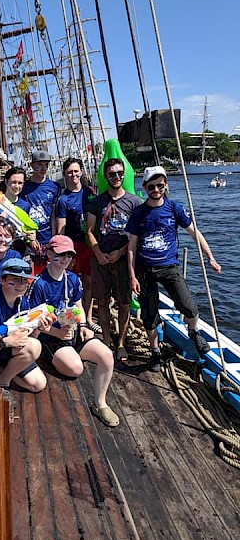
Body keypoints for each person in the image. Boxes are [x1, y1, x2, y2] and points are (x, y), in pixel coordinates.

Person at [127, 166, 221, 371]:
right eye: (151, 186)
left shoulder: (174, 208)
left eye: (160, 185)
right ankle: (155, 352)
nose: (156, 189)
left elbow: (195, 233)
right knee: (149, 315)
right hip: (145, 270)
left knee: (188, 306)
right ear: (145, 187)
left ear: (165, 185)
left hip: (169, 267)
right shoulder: (139, 213)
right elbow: (132, 246)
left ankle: (194, 333)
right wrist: (132, 275)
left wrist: (211, 258)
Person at [27, 234, 120, 427]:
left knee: (106, 356)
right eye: (60, 255)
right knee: (75, 369)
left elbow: (77, 304)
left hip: (73, 330)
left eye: (69, 255)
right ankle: (49, 357)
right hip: (51, 337)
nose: (65, 260)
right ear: (49, 253)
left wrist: (84, 325)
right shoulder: (39, 284)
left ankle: (100, 403)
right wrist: (57, 333)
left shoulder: (72, 279)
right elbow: (33, 322)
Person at [86, 157, 142, 362]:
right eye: (112, 174)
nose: (116, 177)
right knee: (101, 301)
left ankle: (121, 343)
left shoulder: (134, 202)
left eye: (120, 173)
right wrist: (98, 253)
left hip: (122, 261)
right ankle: (107, 341)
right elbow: (90, 231)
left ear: (124, 175)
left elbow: (138, 235)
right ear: (106, 176)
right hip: (101, 259)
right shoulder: (96, 203)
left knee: (124, 303)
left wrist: (120, 252)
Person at [0, 258, 49, 398]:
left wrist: (38, 327)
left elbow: (29, 338)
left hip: (8, 351)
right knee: (34, 347)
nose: (21, 285)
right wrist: (6, 342)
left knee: (38, 384)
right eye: (14, 280)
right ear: (2, 280)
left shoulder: (22, 301)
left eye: (25, 280)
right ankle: (2, 381)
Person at [56, 157, 96, 330]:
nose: (73, 174)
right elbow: (60, 229)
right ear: (65, 174)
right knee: (70, 283)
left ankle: (88, 318)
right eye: (69, 172)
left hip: (89, 244)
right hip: (73, 247)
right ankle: (71, 320)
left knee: (88, 282)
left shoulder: (90, 193)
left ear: (81, 171)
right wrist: (62, 251)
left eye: (76, 171)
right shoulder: (63, 200)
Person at [21, 150, 61, 274]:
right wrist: (29, 238)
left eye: (46, 165)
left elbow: (55, 214)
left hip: (48, 238)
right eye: (39, 165)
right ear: (32, 165)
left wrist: (54, 238)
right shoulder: (24, 187)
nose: (43, 168)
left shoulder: (54, 187)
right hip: (30, 241)